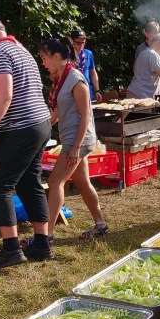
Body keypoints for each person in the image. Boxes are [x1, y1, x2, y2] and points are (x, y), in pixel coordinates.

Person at [0, 15, 53, 270]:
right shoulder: (21, 50)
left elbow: (5, 95)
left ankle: (11, 250)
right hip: (40, 124)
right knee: (29, 182)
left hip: (18, 128)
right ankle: (42, 244)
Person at [38, 38, 109, 239]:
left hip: (78, 140)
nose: (43, 63)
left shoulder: (76, 80)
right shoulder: (59, 80)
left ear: (56, 57)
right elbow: (56, 114)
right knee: (82, 182)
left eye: (44, 58)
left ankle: (46, 235)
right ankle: (101, 224)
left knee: (54, 182)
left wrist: (76, 147)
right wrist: (39, 129)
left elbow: (86, 116)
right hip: (72, 138)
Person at [70, 28, 102, 103]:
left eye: (83, 43)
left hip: (87, 93)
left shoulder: (88, 53)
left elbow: (92, 72)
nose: (81, 45)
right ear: (72, 42)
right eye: (78, 43)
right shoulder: (66, 55)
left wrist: (97, 90)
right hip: (71, 95)